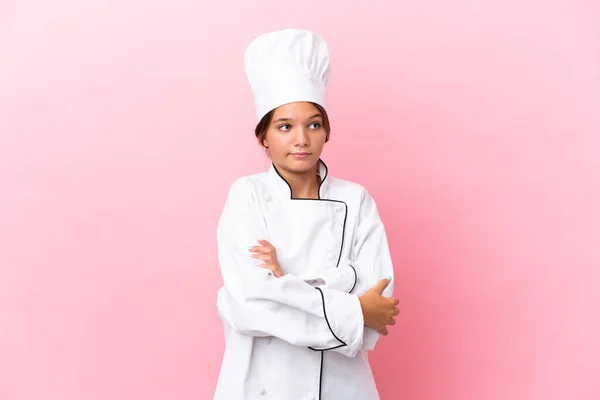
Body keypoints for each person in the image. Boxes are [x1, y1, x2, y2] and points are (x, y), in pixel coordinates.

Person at [213, 28, 398, 400]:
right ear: (264, 136)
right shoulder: (247, 195)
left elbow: (379, 298)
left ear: (327, 132)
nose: (301, 139)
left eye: (313, 124)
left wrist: (284, 279)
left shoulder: (356, 199)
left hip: (342, 382)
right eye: (284, 127)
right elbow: (249, 303)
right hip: (261, 379)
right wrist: (350, 305)